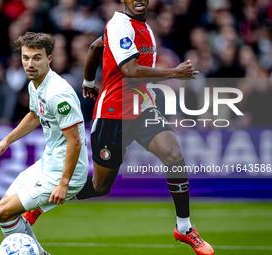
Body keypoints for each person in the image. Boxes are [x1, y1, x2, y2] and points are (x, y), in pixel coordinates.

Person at [25, 1, 214, 255]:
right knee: (101, 187)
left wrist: (89, 81)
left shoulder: (142, 26)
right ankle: (41, 201)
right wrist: (175, 73)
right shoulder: (119, 25)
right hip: (112, 115)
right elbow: (130, 70)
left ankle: (184, 228)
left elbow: (95, 47)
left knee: (175, 157)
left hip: (142, 109)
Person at [0, 32, 88, 255]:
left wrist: (64, 183)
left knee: (3, 212)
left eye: (36, 58)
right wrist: (7, 141)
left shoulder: (58, 93)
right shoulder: (35, 84)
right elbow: (34, 115)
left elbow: (75, 143)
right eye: (25, 58)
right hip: (47, 163)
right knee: (4, 213)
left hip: (65, 173)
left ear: (49, 59)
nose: (30, 64)